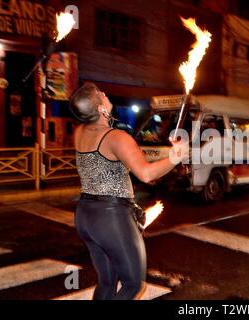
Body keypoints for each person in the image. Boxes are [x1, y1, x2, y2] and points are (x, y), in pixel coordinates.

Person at [70, 83, 187, 300]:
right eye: (99, 94)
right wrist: (176, 156)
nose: (104, 93)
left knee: (107, 281)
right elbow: (146, 174)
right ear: (100, 110)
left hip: (85, 215)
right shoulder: (115, 137)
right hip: (111, 218)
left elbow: (117, 162)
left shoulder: (80, 132)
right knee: (133, 284)